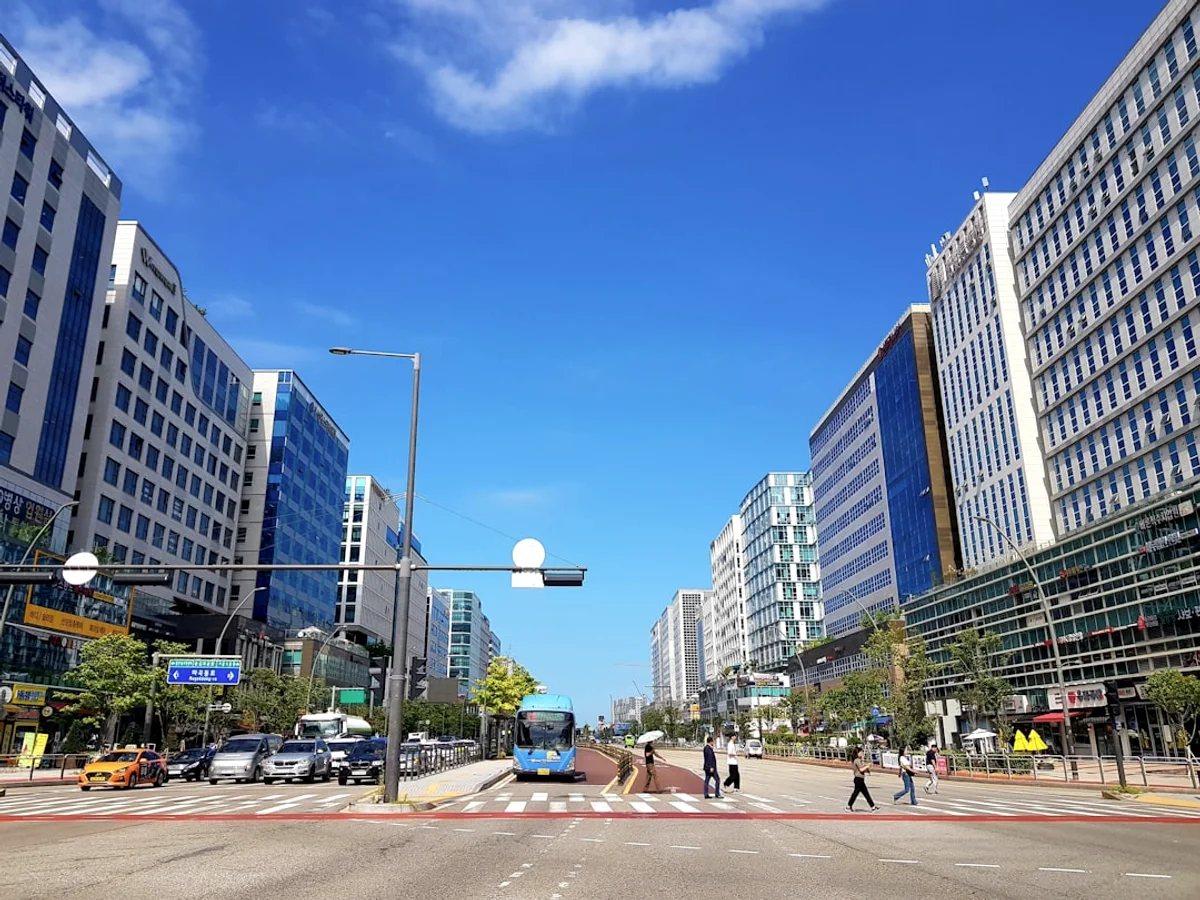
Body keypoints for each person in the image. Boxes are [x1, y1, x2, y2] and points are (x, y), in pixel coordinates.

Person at [846, 747, 879, 812]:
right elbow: (861, 769)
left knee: (865, 793)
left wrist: (867, 770)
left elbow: (861, 770)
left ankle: (873, 806)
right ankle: (849, 806)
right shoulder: (857, 760)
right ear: (857, 753)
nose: (862, 753)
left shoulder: (859, 760)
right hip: (858, 779)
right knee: (857, 793)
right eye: (861, 752)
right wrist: (867, 766)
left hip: (860, 779)